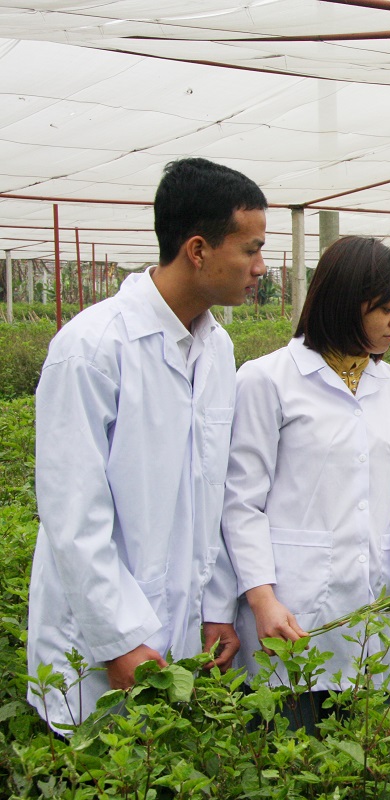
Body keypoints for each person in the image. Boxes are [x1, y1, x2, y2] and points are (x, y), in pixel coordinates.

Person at [27, 158, 267, 732]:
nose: (262, 267)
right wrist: (120, 640)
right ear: (198, 249)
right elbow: (73, 514)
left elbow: (208, 492)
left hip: (181, 632)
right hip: (98, 644)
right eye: (251, 249)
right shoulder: (91, 348)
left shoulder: (217, 350)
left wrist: (215, 608)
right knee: (100, 766)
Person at [222, 236, 390, 729]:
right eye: (386, 307)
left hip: (373, 605)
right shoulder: (267, 380)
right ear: (342, 301)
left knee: (368, 759)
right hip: (287, 610)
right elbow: (240, 503)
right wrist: (262, 599)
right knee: (288, 753)